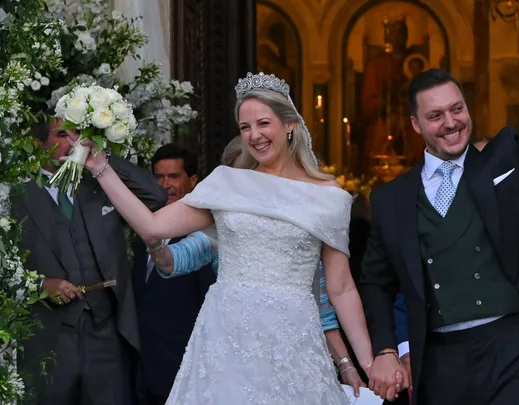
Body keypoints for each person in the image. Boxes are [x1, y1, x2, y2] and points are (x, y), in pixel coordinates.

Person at [71, 73, 381, 403]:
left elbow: (341, 287)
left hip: (292, 338)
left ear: (289, 123)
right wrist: (101, 166)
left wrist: (368, 363)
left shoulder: (328, 196)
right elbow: (151, 226)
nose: (254, 135)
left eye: (263, 123)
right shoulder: (226, 184)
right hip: (226, 336)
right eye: (245, 127)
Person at [358, 2, 519, 403]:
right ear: (415, 125)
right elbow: (375, 281)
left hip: (512, 349)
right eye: (436, 115)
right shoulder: (391, 199)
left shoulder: (506, 161)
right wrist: (387, 349)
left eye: (457, 109)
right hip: (438, 359)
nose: (451, 122)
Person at [390, 124, 519, 387]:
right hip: (444, 363)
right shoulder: (434, 223)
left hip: (511, 359)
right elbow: (407, 293)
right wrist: (406, 352)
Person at [12, 116, 167, 405]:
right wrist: (40, 285)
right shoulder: (16, 198)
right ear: (38, 145)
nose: (72, 141)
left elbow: (155, 197)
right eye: (61, 134)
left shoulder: (101, 186)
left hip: (107, 333)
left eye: (78, 134)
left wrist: (101, 158)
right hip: (49, 339)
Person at [131, 144, 217, 405]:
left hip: (183, 368)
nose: (165, 184)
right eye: (159, 177)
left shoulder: (206, 234)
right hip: (140, 366)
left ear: (193, 180)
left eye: (174, 176)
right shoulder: (140, 225)